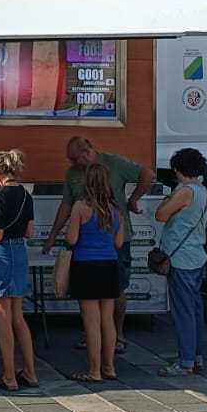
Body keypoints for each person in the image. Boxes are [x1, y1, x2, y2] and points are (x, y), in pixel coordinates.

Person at [46, 136, 154, 353]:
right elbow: (65, 205)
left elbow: (148, 174)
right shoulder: (72, 175)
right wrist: (52, 235)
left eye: (75, 159)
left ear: (87, 153)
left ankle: (117, 335)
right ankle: (96, 340)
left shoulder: (113, 162)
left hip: (116, 242)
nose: (73, 164)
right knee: (95, 297)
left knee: (117, 289)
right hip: (88, 247)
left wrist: (133, 199)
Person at [0, 148, 41, 391]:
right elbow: (29, 232)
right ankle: (31, 373)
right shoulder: (26, 195)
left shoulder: (0, 196)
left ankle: (9, 376)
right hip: (20, 252)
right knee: (17, 316)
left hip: (1, 253)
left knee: (2, 317)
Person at [63, 163, 125, 383]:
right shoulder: (116, 209)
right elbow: (119, 243)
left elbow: (72, 239)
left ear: (87, 181)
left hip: (86, 266)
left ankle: (94, 370)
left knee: (91, 321)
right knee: (107, 320)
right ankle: (109, 367)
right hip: (109, 264)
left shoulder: (80, 206)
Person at [155, 148, 207, 377]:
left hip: (180, 259)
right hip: (196, 256)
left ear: (178, 169)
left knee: (183, 312)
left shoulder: (185, 192)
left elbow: (160, 215)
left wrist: (168, 199)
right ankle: (196, 357)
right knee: (195, 310)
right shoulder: (202, 190)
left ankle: (185, 361)